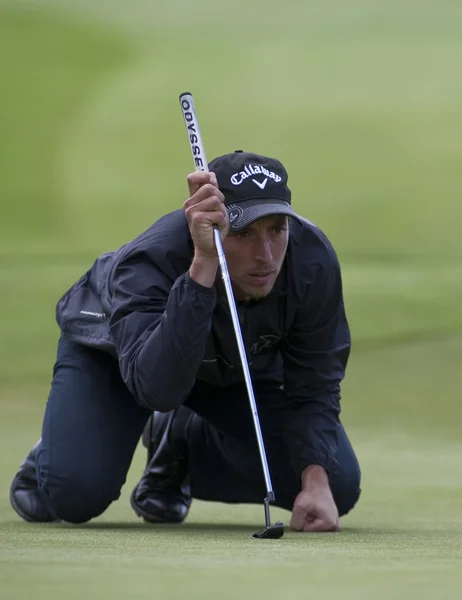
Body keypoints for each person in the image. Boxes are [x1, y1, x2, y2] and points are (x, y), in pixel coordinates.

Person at [10, 150, 361, 532]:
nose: (266, 256)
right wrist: (203, 266)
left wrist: (314, 482)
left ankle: (177, 445)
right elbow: (157, 390)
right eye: (243, 233)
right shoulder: (150, 260)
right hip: (124, 358)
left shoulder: (310, 259)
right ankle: (59, 448)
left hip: (230, 368)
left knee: (334, 485)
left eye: (276, 229)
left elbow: (314, 383)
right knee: (76, 494)